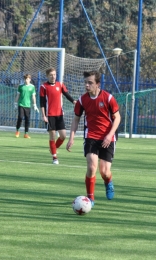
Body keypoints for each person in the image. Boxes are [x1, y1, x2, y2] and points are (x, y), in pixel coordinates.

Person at [66, 70, 121, 207]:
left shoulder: (108, 98)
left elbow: (118, 118)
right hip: (91, 136)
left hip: (108, 137)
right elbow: (76, 119)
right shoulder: (82, 100)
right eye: (85, 82)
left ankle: (108, 182)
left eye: (90, 83)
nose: (86, 85)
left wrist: (109, 135)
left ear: (98, 84)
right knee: (91, 167)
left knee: (104, 172)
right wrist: (71, 138)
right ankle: (90, 198)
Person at [40, 67, 76, 164]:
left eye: (54, 74)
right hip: (49, 115)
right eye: (51, 75)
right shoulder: (43, 87)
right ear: (47, 76)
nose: (53, 76)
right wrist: (44, 116)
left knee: (63, 136)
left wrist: (73, 101)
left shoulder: (60, 85)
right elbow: (42, 103)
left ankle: (53, 149)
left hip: (59, 115)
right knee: (52, 136)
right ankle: (54, 157)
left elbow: (66, 94)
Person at [14, 74, 39, 138]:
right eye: (25, 79)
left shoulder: (32, 87)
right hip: (21, 104)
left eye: (28, 79)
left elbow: (33, 96)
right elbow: (18, 95)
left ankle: (26, 134)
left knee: (27, 119)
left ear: (30, 79)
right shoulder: (21, 86)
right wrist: (15, 104)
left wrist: (35, 105)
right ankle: (17, 131)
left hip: (28, 106)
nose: (26, 80)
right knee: (20, 117)